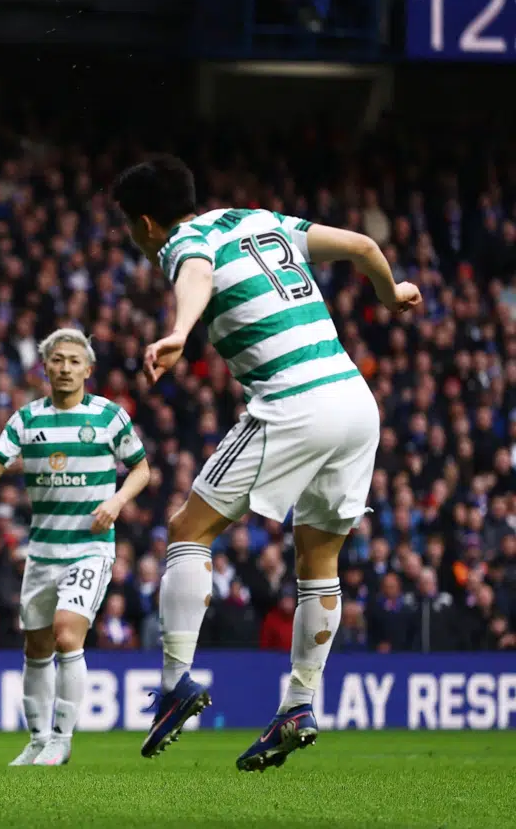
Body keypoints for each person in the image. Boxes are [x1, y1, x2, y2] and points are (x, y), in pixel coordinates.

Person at [110, 155, 422, 771]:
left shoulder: (181, 243)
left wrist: (178, 331)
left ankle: (175, 683)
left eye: (129, 227)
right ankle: (299, 704)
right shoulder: (257, 219)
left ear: (145, 223)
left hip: (294, 399)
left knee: (186, 531)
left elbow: (195, 274)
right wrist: (391, 295)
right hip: (356, 402)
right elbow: (362, 245)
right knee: (318, 560)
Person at [0, 328, 151, 767]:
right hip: (42, 551)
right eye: (57, 360)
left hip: (90, 547)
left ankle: (63, 739)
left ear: (88, 369)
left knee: (68, 633)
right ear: (44, 367)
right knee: (36, 648)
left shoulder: (109, 416)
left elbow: (142, 470)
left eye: (73, 361)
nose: (65, 368)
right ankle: (37, 738)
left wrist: (118, 500)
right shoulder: (27, 419)